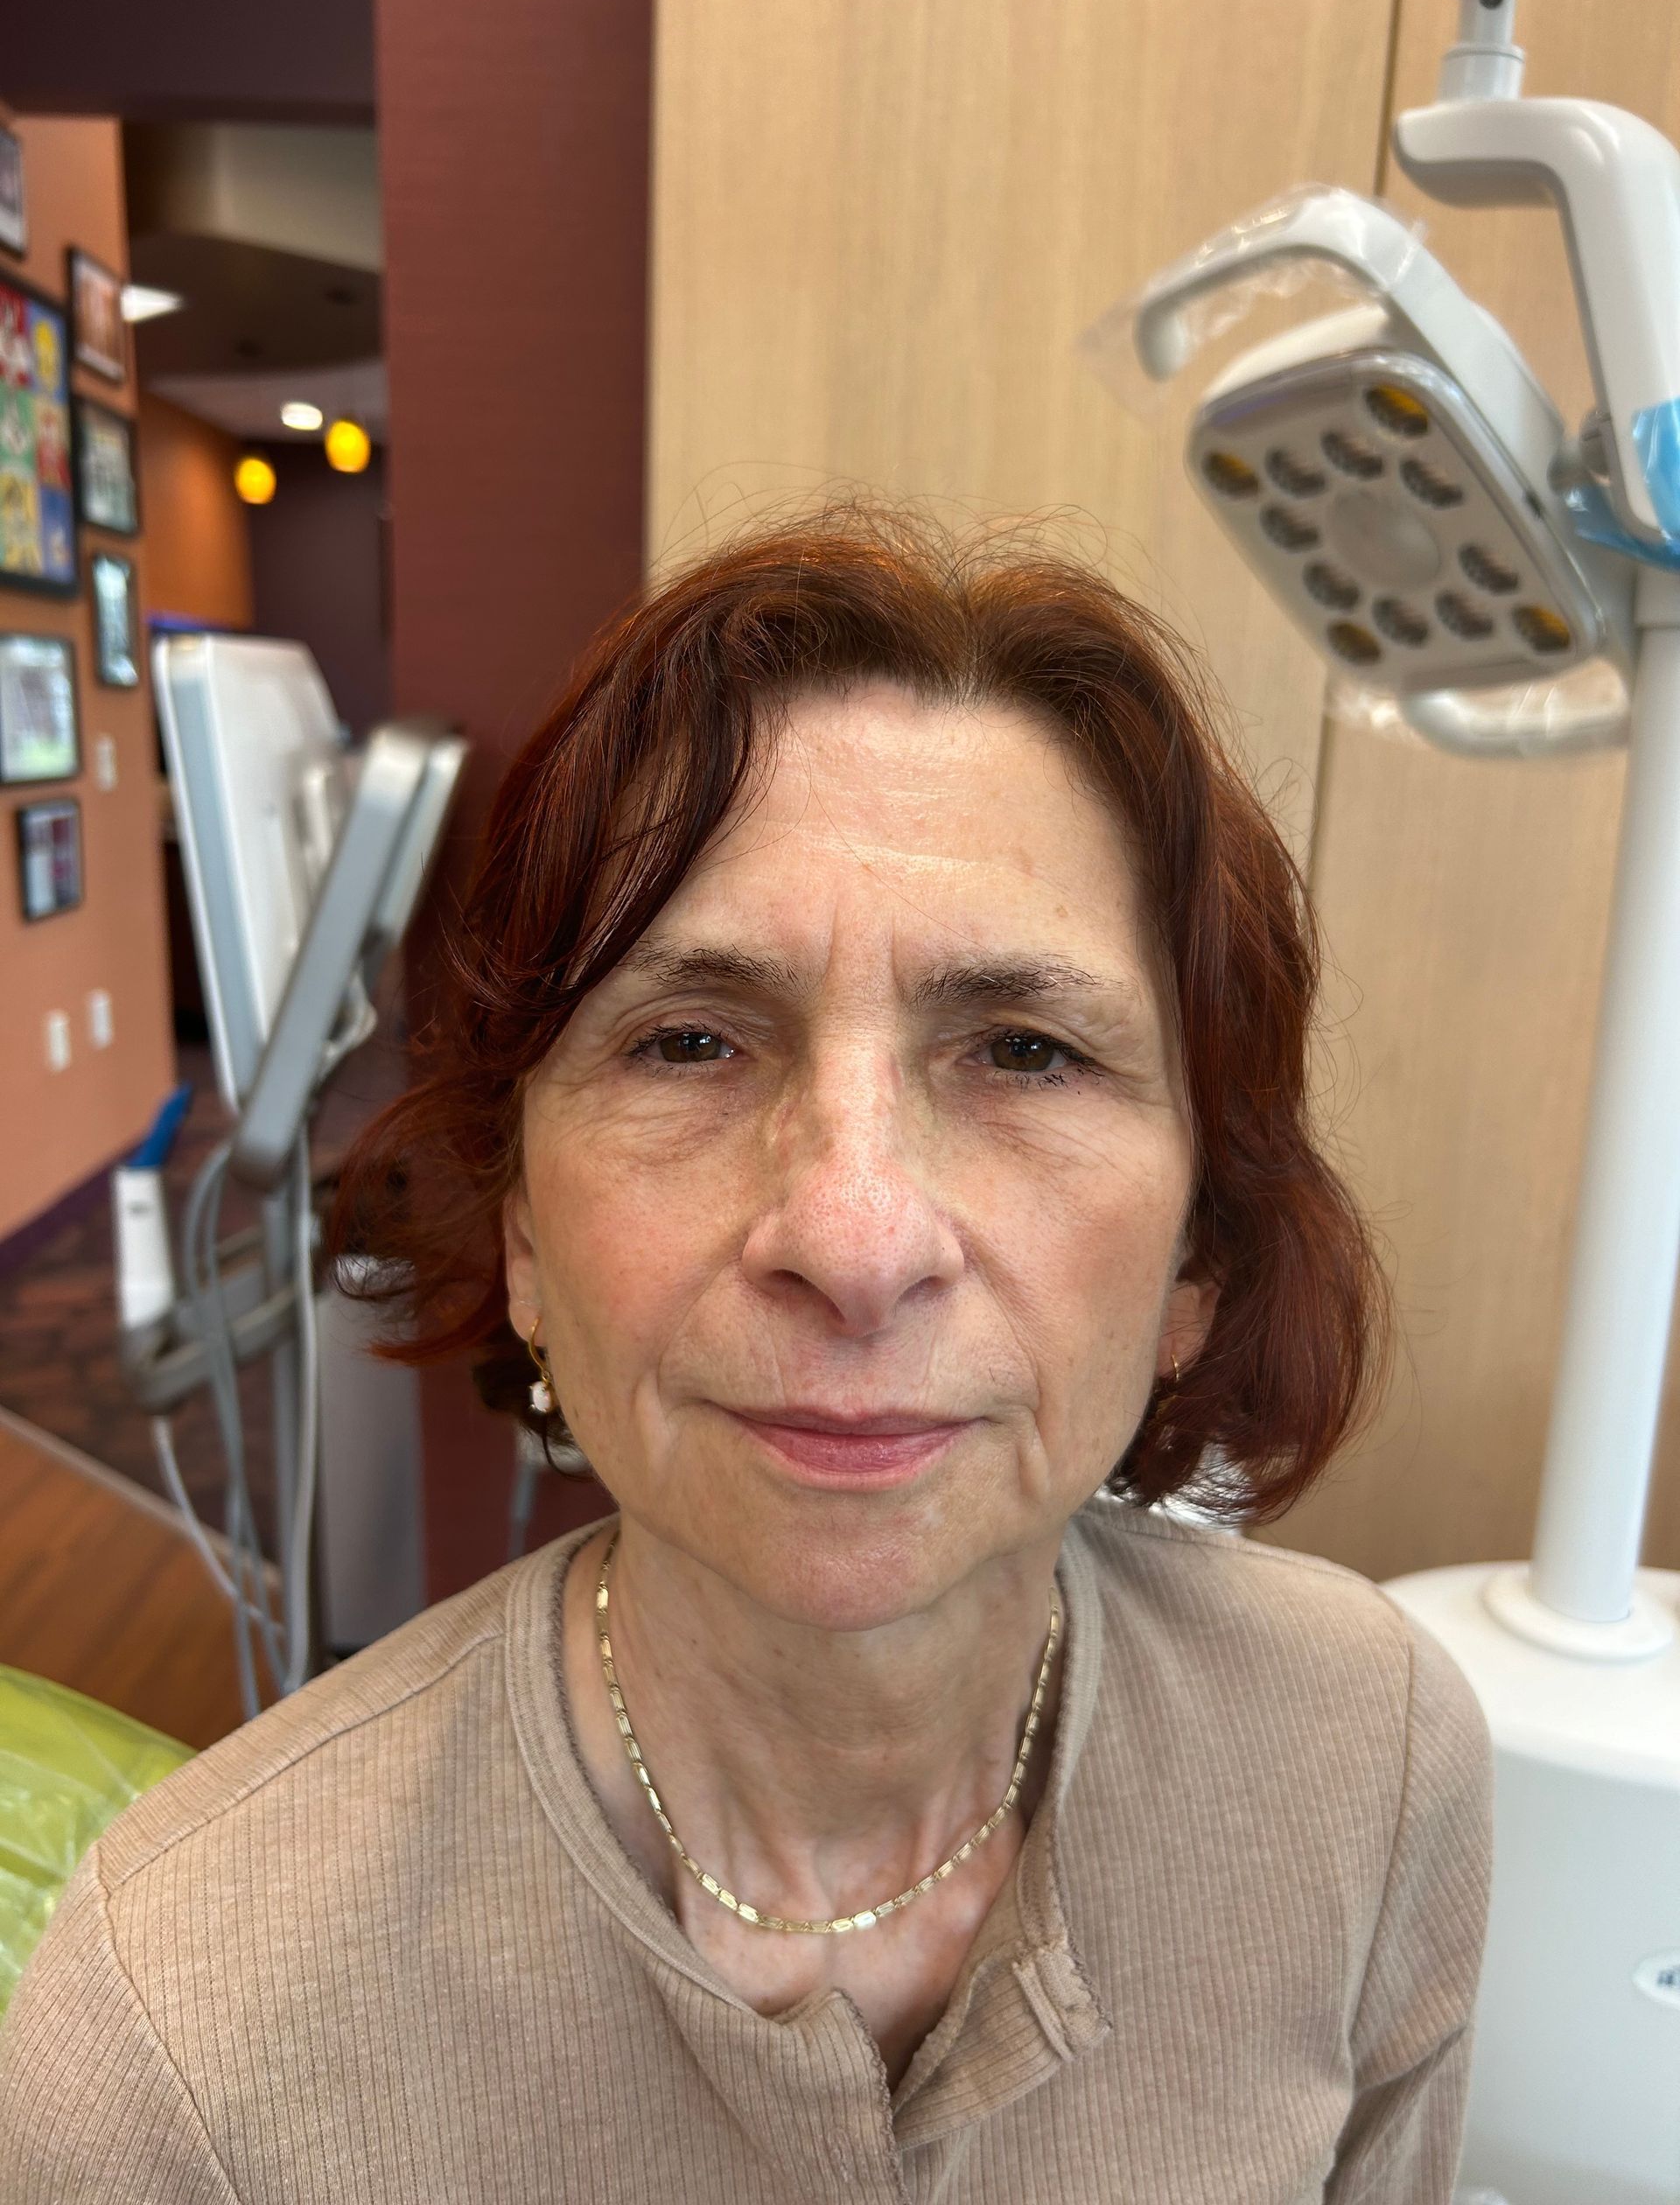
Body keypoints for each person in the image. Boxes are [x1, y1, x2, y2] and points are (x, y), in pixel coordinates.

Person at [0, 511, 1493, 2202]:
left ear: (1197, 1267)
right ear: (520, 1238)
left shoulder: (1368, 1761)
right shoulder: (179, 2031)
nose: (853, 1240)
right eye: (691, 1040)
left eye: (1024, 1050)